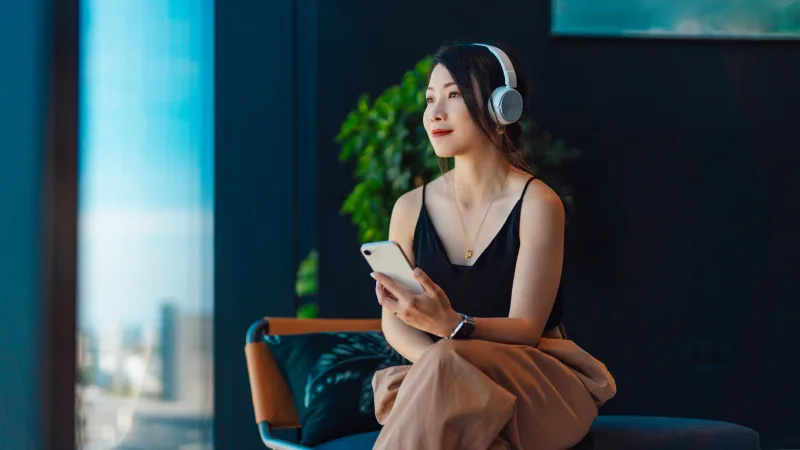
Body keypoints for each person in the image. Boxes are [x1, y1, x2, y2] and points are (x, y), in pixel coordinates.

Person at [368, 41, 616, 450]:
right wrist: (438, 363)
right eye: (430, 100)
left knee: (447, 372)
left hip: (535, 384)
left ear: (503, 107)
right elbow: (393, 321)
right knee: (457, 399)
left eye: (454, 96)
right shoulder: (409, 208)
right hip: (439, 384)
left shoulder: (539, 203)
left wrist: (451, 328)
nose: (435, 113)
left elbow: (525, 329)